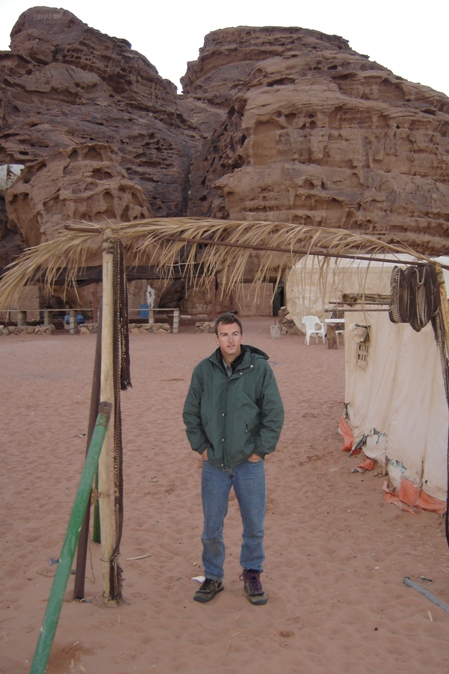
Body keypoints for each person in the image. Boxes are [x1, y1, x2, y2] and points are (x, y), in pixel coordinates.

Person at [183, 313, 284, 605]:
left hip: (248, 464)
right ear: (216, 338)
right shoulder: (203, 371)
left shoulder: (260, 369)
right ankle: (213, 577)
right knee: (211, 527)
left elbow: (273, 413)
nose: (230, 340)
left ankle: (252, 573)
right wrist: (201, 448)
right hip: (214, 463)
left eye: (235, 334)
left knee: (254, 524)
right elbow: (191, 412)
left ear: (242, 336)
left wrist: (259, 451)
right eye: (224, 335)